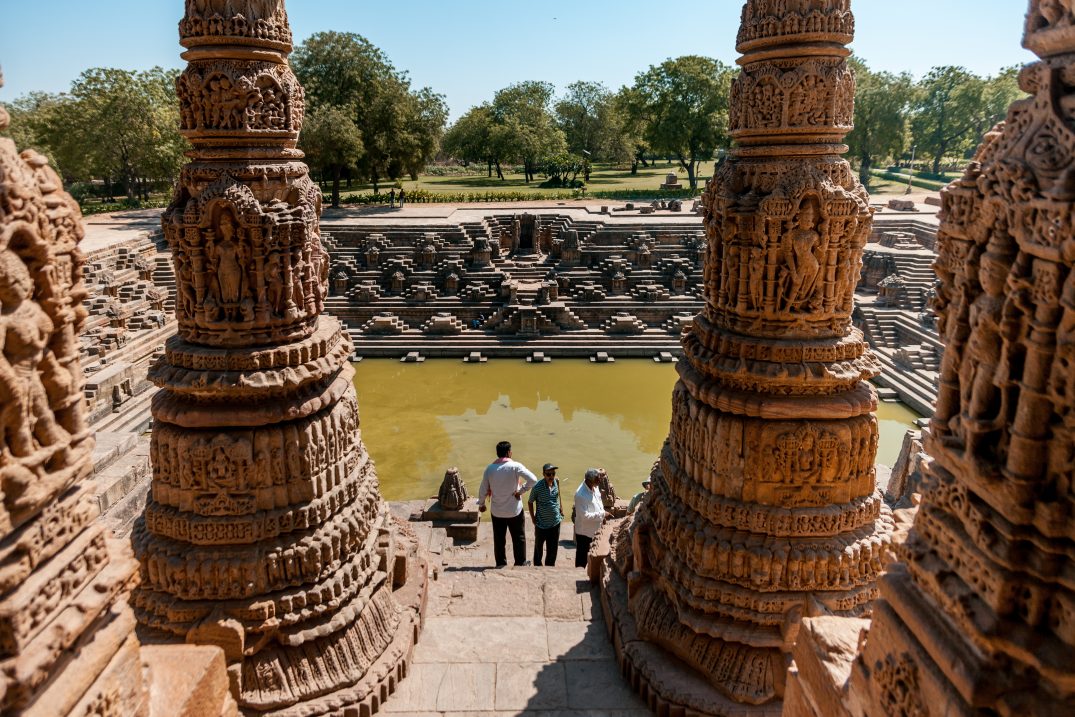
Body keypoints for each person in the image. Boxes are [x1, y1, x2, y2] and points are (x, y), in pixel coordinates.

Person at [477, 440, 538, 567]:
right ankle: (520, 563)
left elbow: (483, 489)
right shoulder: (515, 466)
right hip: (514, 510)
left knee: (499, 539)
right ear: (509, 453)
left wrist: (482, 504)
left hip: (497, 511)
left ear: (497, 453)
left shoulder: (490, 469)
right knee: (519, 538)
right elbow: (533, 479)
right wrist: (521, 491)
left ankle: (500, 563)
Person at [573, 468, 612, 568]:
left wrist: (602, 516)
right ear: (589, 480)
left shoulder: (595, 486)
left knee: (594, 554)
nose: (599, 481)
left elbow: (598, 502)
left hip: (596, 529)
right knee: (582, 559)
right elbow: (585, 516)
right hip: (585, 533)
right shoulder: (580, 495)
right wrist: (602, 514)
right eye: (597, 479)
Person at [528, 463, 564, 566]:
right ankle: (537, 567)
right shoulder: (537, 487)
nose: (551, 477)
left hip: (555, 523)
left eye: (553, 474)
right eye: (548, 474)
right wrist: (533, 518)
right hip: (541, 524)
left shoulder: (556, 481)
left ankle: (550, 567)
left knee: (553, 549)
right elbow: (530, 502)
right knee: (538, 548)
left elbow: (558, 494)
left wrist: (560, 506)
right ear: (543, 474)